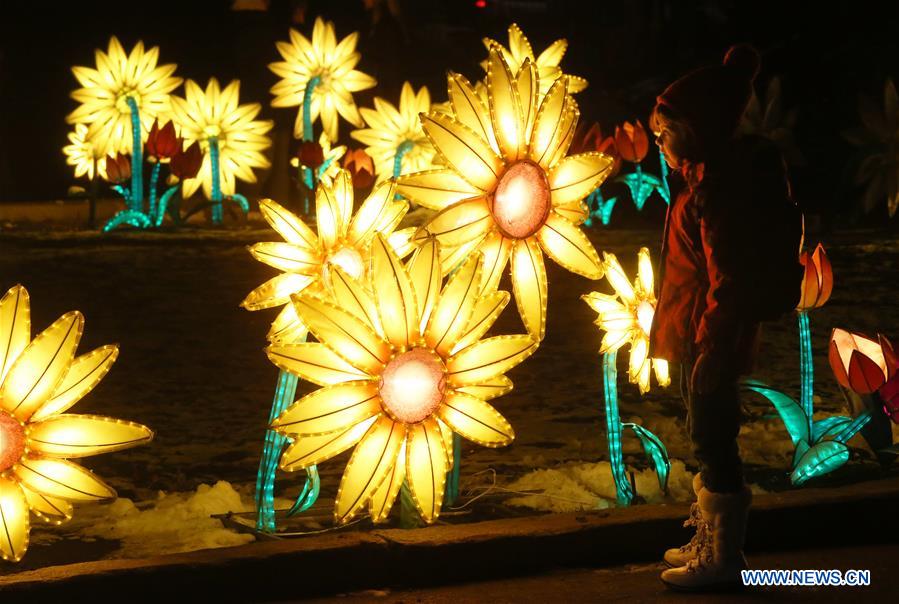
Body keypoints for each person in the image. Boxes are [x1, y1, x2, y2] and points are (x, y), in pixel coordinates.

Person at [648, 44, 803, 591]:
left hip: (709, 336)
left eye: (666, 131)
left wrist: (712, 350)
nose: (658, 142)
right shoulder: (700, 180)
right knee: (703, 433)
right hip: (698, 331)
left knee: (713, 437)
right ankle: (710, 536)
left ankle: (724, 557)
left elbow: (727, 279)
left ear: (699, 128)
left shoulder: (715, 191)